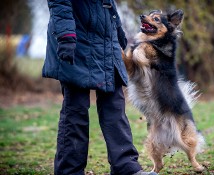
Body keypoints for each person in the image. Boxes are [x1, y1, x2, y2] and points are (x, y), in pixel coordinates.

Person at [43, 0, 158, 175]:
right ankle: (70, 171)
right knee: (75, 109)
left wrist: (118, 30)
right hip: (76, 39)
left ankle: (126, 167)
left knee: (115, 108)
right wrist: (65, 35)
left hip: (105, 42)